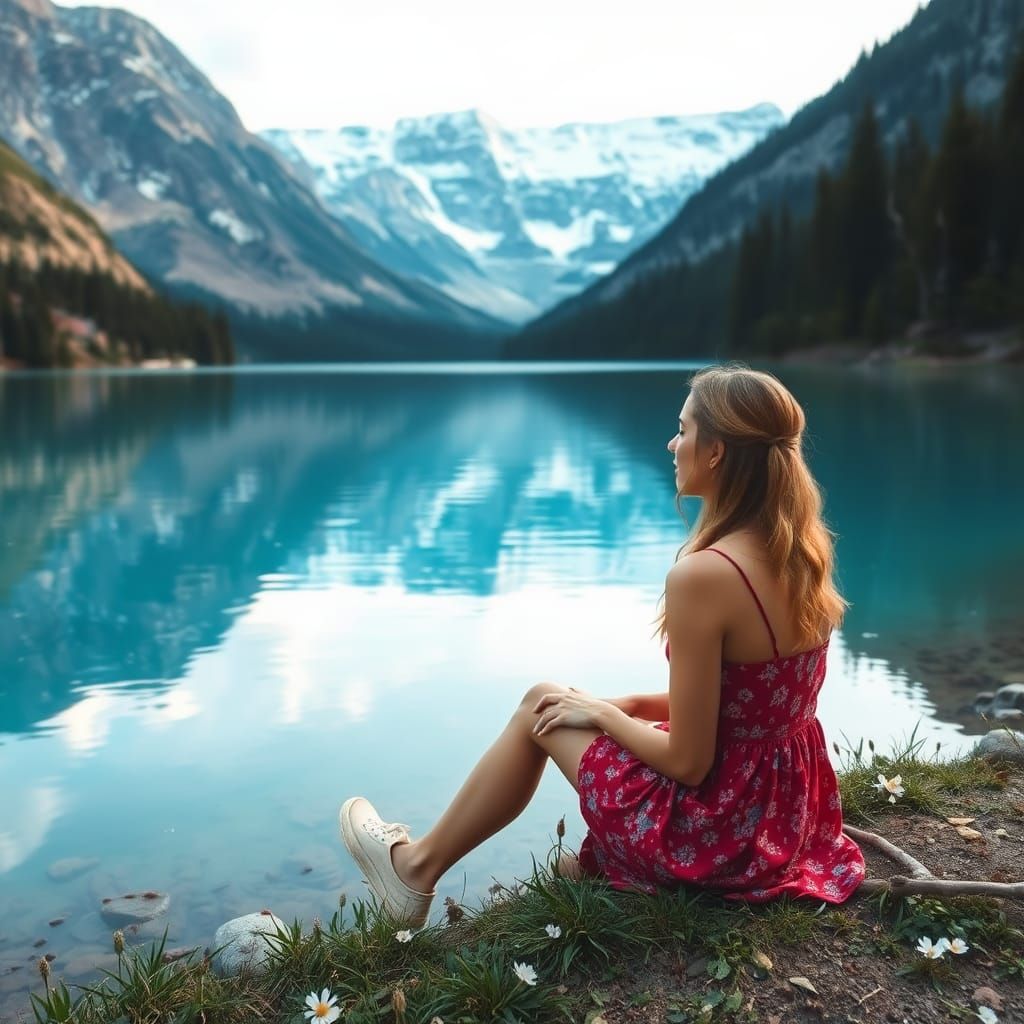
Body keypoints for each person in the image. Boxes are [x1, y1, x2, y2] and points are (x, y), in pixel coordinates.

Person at [340, 363, 866, 927]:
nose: (672, 444)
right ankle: (555, 865)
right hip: (783, 820)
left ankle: (413, 871)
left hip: (715, 835)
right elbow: (753, 700)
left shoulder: (707, 575)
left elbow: (689, 763)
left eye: (683, 430)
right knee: (571, 711)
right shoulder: (802, 549)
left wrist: (601, 715)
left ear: (716, 452)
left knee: (541, 704)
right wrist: (631, 704)